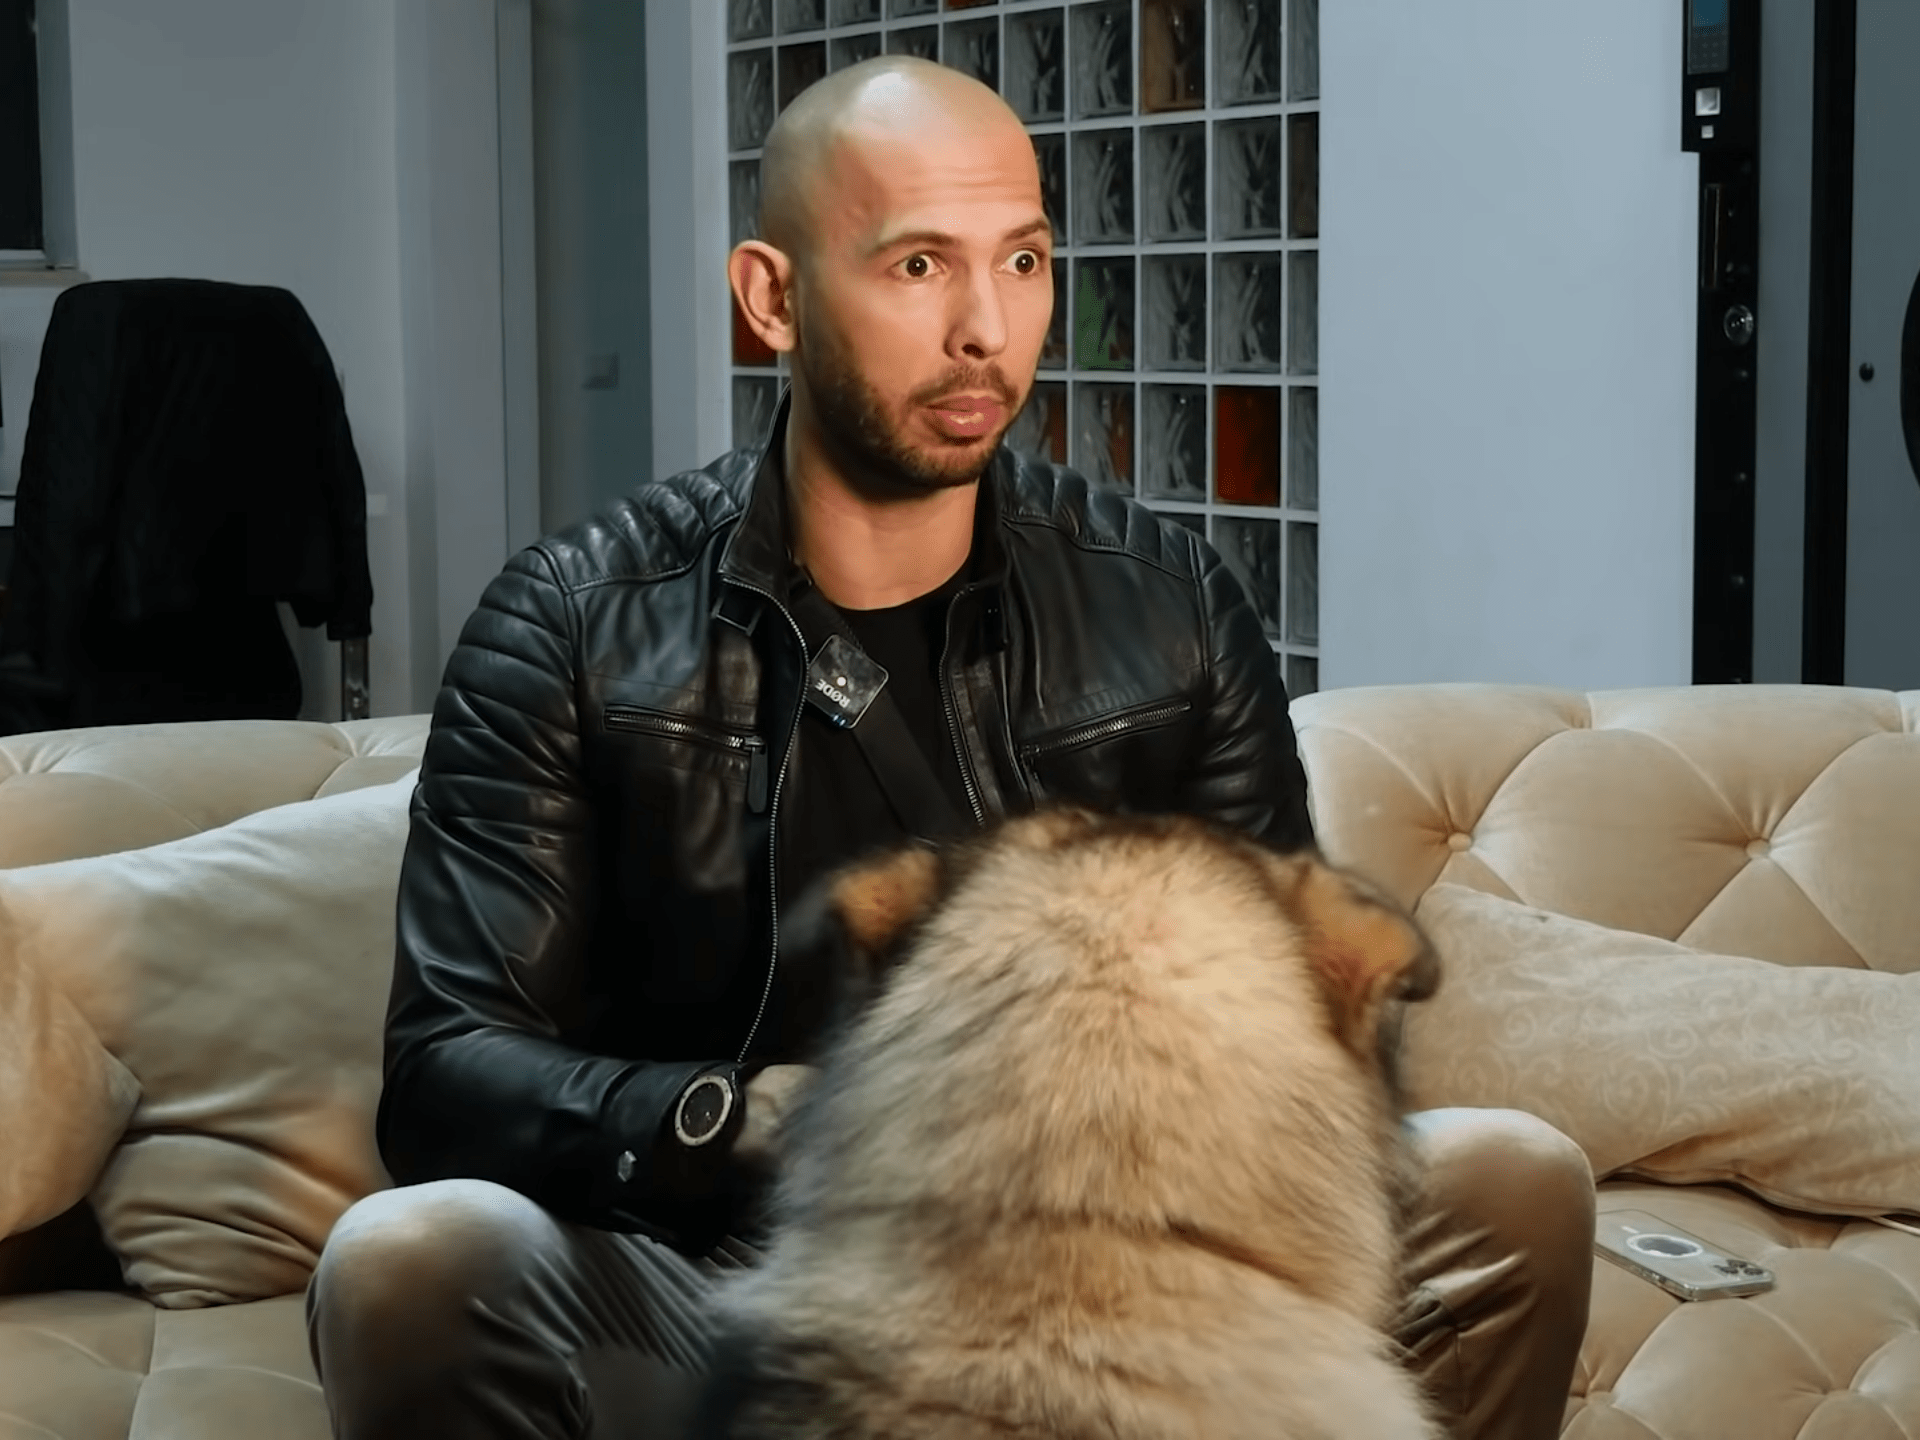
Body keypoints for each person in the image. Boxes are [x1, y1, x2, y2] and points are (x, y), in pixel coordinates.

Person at [306, 56, 1593, 1440]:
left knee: (1510, 1180)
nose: (986, 329)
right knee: (411, 1260)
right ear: (773, 298)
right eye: (919, 266)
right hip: (732, 1280)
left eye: (1022, 261)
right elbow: (445, 1073)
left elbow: (1302, 1001)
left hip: (1128, 1260)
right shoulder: (573, 622)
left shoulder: (1169, 608)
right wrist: (735, 1119)